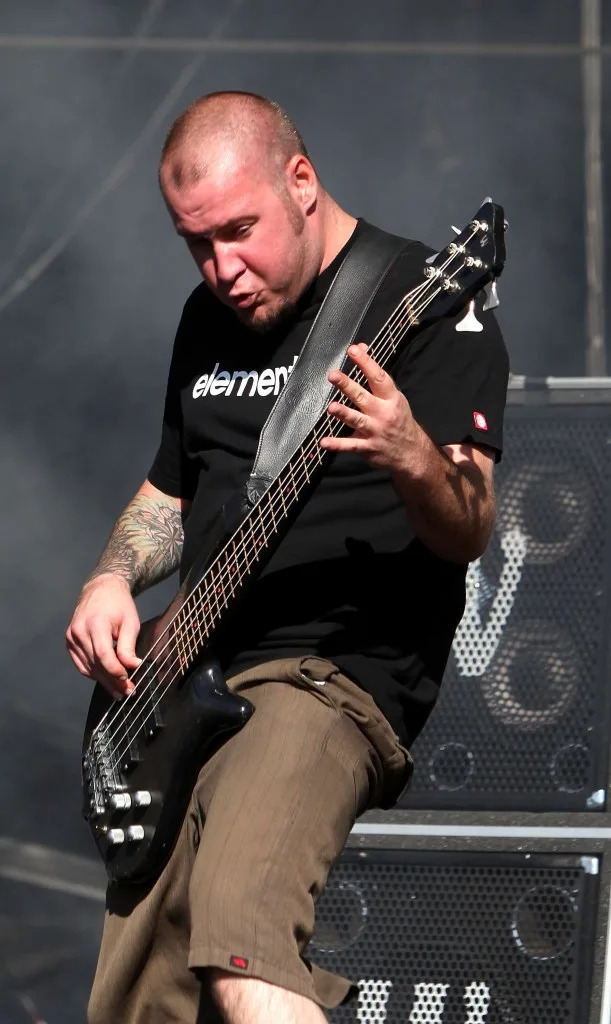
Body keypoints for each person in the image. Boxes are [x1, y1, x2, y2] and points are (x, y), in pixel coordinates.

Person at [66, 90, 509, 1024]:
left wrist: (409, 452)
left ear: (301, 182)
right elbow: (171, 493)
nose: (222, 268)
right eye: (196, 243)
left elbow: (470, 523)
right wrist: (112, 576)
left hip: (326, 676)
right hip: (186, 682)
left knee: (241, 935)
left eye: (238, 230)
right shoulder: (206, 320)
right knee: (136, 1001)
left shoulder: (427, 302)